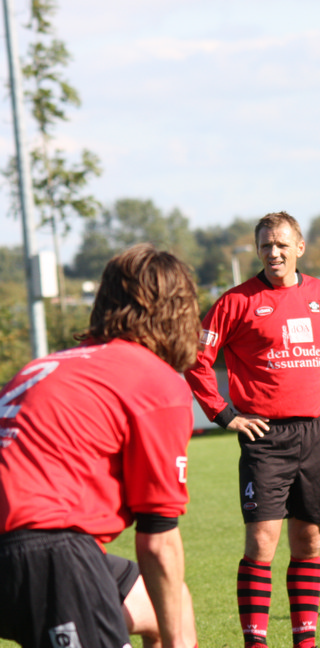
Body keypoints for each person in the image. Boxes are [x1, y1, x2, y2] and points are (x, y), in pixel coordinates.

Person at [0, 244, 198, 648]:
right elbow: (158, 541)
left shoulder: (47, 366)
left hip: (30, 546)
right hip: (46, 552)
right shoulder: (155, 382)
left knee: (166, 602)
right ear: (179, 311)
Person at [184, 211, 320, 648]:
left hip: (319, 433)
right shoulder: (236, 302)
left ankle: (305, 641)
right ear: (257, 250)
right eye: (266, 245)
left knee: (310, 540)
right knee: (262, 542)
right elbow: (196, 358)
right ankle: (256, 643)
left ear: (299, 247)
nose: (274, 252)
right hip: (264, 438)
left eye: (282, 244)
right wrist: (224, 414)